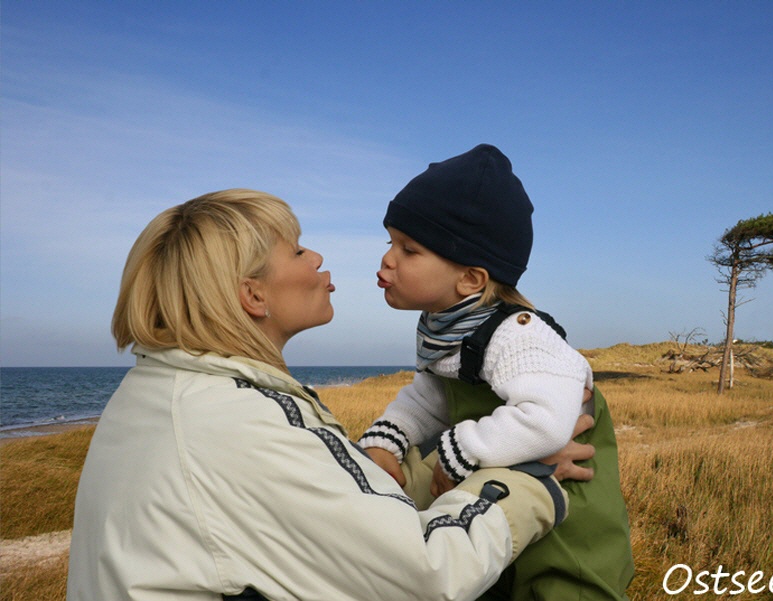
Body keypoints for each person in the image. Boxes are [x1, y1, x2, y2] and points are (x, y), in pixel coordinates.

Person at [66, 188, 591, 601]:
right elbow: (427, 574)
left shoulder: (178, 392)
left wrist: (389, 457)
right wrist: (525, 476)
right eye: (296, 250)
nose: (316, 254)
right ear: (253, 295)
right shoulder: (234, 420)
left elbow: (343, 513)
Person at [360, 145, 634, 600]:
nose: (389, 258)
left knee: (562, 584)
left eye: (409, 249)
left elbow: (546, 421)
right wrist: (387, 437)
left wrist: (458, 450)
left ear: (471, 279)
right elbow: (430, 395)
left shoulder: (518, 336)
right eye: (389, 241)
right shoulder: (444, 325)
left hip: (564, 493)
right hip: (509, 481)